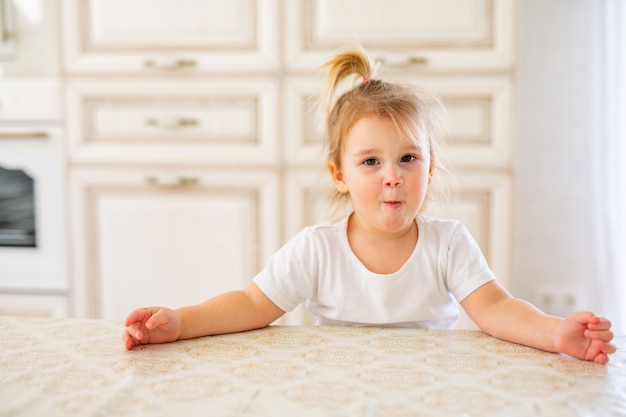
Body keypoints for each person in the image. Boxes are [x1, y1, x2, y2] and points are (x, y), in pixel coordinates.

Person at [122, 48, 616, 364]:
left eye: (408, 158)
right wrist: (181, 322)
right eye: (370, 161)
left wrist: (556, 334)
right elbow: (251, 304)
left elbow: (498, 310)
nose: (392, 177)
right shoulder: (317, 249)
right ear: (338, 175)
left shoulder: (448, 244)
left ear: (431, 166)